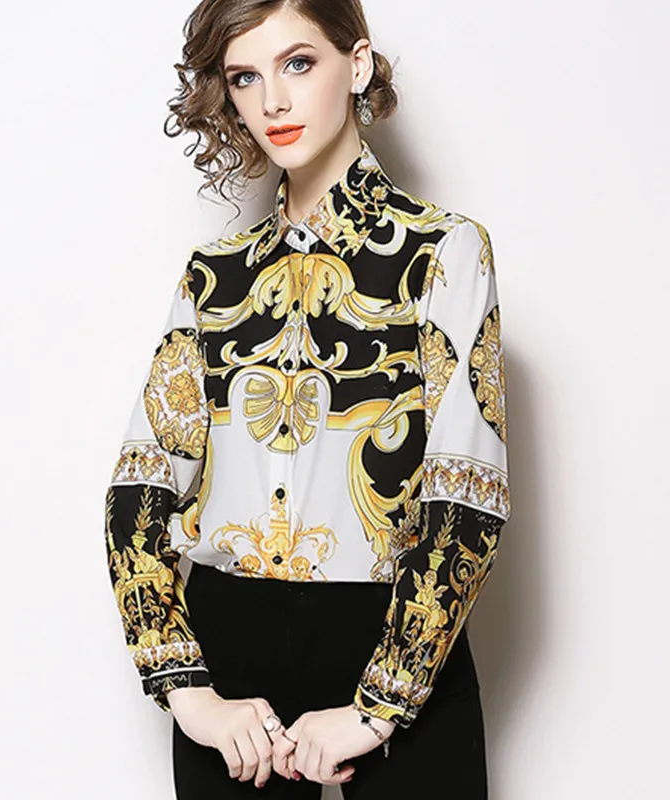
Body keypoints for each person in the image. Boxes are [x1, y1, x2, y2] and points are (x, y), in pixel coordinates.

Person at [103, 1, 510, 797]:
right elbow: (137, 492)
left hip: (397, 638)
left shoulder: (444, 251)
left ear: (356, 65)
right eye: (244, 77)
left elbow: (468, 497)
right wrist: (188, 694)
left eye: (298, 63)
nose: (273, 101)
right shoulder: (212, 275)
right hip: (230, 664)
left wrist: (380, 706)